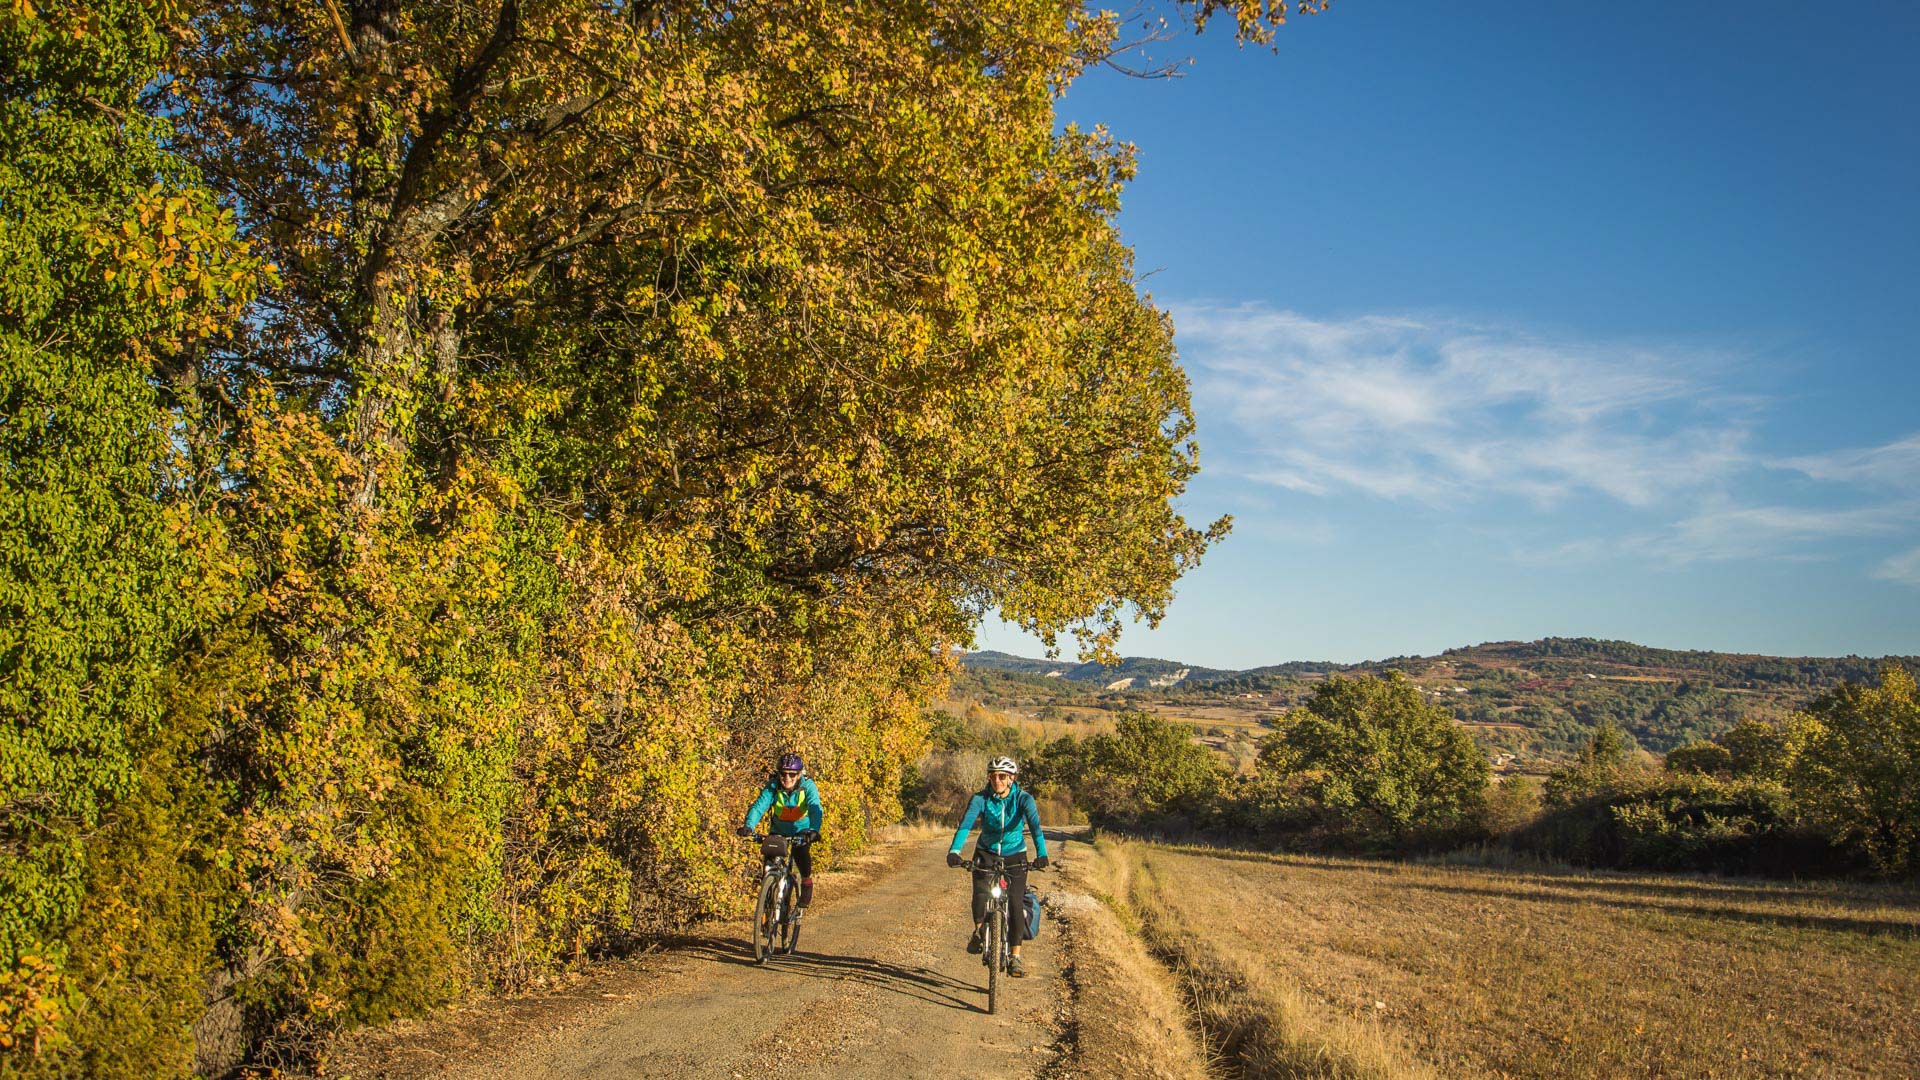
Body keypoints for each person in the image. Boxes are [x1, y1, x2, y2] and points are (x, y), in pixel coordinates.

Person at [946, 756, 1048, 977]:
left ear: (1011, 778)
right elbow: (966, 824)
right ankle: (979, 931)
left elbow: (1035, 827)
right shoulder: (980, 799)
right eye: (992, 776)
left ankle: (1015, 957)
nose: (997, 781)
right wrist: (955, 851)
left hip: (1015, 854)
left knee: (1015, 902)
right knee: (980, 894)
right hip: (986, 852)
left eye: (1002, 776)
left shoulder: (1023, 799)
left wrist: (1042, 854)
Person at [737, 752, 824, 909]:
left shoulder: (808, 786)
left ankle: (806, 882)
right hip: (778, 831)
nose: (787, 778)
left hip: (802, 831)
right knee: (769, 861)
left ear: (799, 774)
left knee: (801, 853)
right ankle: (767, 902)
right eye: (783, 774)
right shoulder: (773, 786)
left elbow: (814, 808)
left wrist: (814, 830)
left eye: (792, 774)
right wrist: (749, 826)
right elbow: (759, 806)